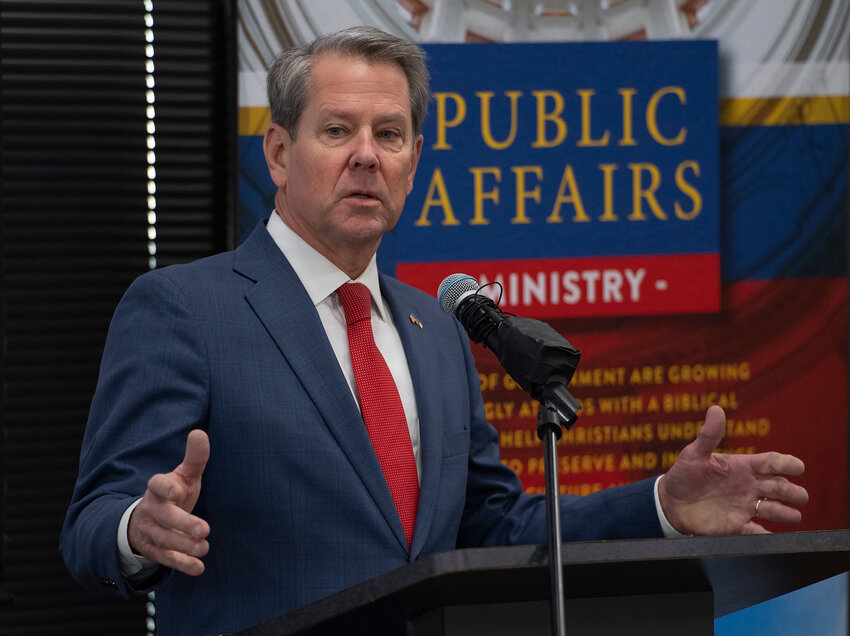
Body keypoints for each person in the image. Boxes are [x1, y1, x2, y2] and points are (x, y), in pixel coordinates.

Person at [60, 26, 808, 636]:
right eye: (337, 130)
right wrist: (139, 530)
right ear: (280, 154)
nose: (366, 155)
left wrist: (662, 508)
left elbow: (494, 526)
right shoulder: (184, 308)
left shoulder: (436, 328)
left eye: (389, 133)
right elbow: (90, 526)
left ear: (414, 162)